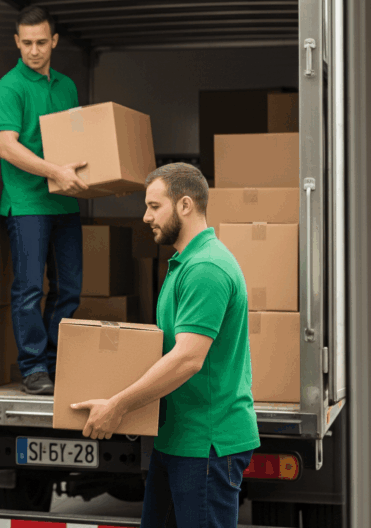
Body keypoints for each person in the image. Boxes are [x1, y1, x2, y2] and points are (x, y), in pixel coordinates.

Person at [71, 163, 260, 528]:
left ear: (185, 205)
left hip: (205, 443)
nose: (146, 217)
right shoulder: (184, 264)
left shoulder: (206, 268)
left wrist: (117, 406)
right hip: (176, 438)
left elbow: (188, 358)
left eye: (154, 206)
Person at [0, 5, 89, 396]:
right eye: (27, 43)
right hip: (27, 204)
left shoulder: (67, 87)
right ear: (17, 42)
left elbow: (77, 141)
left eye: (42, 42)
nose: (34, 50)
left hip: (64, 203)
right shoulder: (9, 87)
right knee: (30, 289)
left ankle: (53, 362)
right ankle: (33, 368)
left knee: (70, 289)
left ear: (55, 41)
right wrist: (55, 172)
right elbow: (7, 147)